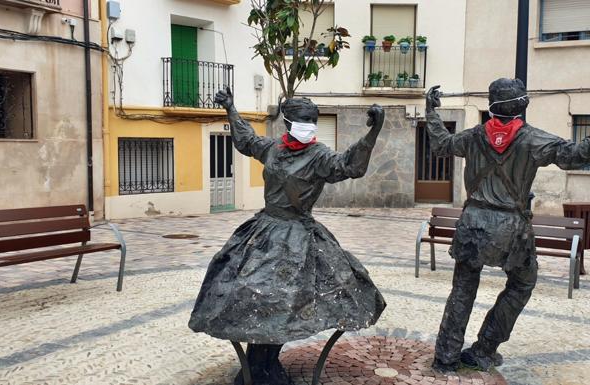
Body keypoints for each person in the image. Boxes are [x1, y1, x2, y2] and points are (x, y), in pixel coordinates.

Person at [189, 87, 386, 384]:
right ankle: (257, 366)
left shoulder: (319, 155)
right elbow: (247, 140)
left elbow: (349, 165)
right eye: (303, 120)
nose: (309, 126)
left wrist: (373, 132)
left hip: (299, 237)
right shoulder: (273, 149)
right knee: (249, 290)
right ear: (288, 123)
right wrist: (230, 108)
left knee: (287, 301)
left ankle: (266, 364)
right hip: (265, 230)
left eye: (312, 120)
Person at [426, 78, 590, 373]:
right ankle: (484, 348)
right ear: (520, 107)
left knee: (462, 289)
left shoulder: (473, 136)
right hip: (510, 229)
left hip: (473, 224)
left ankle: (445, 357)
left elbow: (440, 144)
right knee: (522, 282)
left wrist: (431, 110)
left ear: (491, 108)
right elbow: (576, 156)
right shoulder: (532, 139)